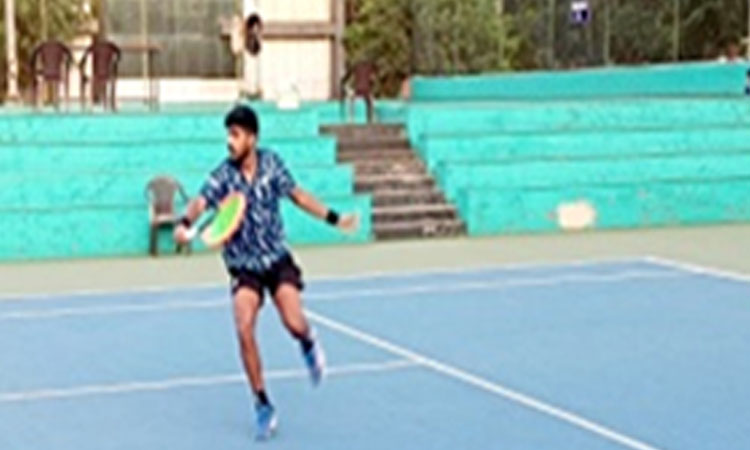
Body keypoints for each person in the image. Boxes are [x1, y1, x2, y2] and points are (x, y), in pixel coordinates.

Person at [174, 105, 359, 440]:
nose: (230, 141)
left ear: (252, 138)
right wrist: (185, 222)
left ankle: (307, 341)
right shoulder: (223, 175)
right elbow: (200, 201)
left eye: (236, 135)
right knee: (243, 326)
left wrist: (335, 218)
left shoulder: (272, 164)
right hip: (244, 267)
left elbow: (299, 196)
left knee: (293, 322)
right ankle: (262, 404)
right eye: (228, 134)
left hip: (276, 260)